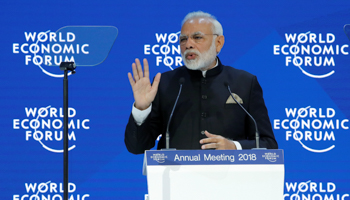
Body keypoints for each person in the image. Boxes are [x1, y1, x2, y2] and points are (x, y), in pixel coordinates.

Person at [125, 11, 278, 154]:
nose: (188, 45)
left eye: (197, 37)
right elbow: (137, 147)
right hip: (177, 181)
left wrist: (234, 147)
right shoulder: (165, 83)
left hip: (231, 180)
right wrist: (142, 108)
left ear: (218, 42)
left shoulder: (245, 83)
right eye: (183, 39)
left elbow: (268, 144)